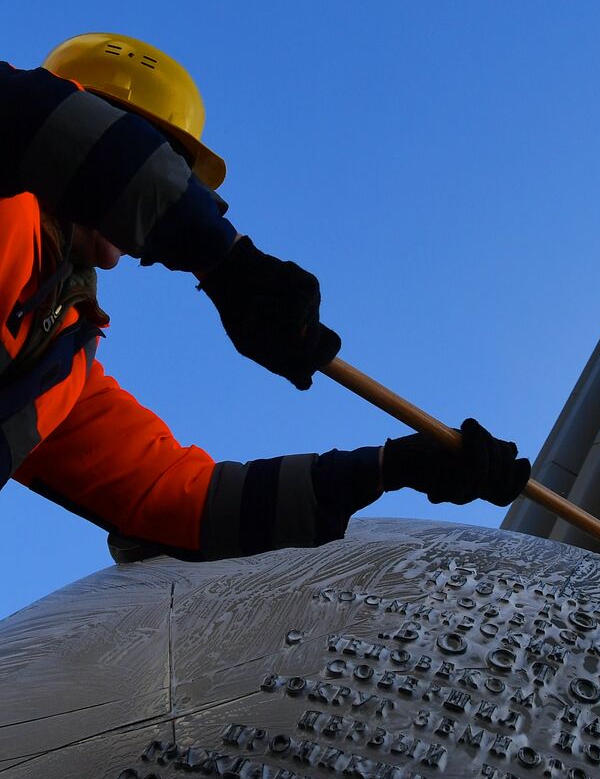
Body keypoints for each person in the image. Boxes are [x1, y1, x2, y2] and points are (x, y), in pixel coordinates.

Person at [0, 32, 529, 563]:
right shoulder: (10, 192)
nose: (175, 187)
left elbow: (175, 495)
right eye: (168, 166)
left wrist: (390, 468)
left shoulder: (57, 370)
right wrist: (222, 259)